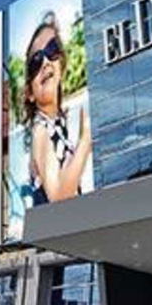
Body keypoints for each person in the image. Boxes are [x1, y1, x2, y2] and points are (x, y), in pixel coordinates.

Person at [24, 19, 91, 205]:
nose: (45, 62)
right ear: (29, 93)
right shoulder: (41, 130)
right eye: (35, 62)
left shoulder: (57, 125)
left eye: (52, 50)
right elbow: (59, 197)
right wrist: (86, 140)